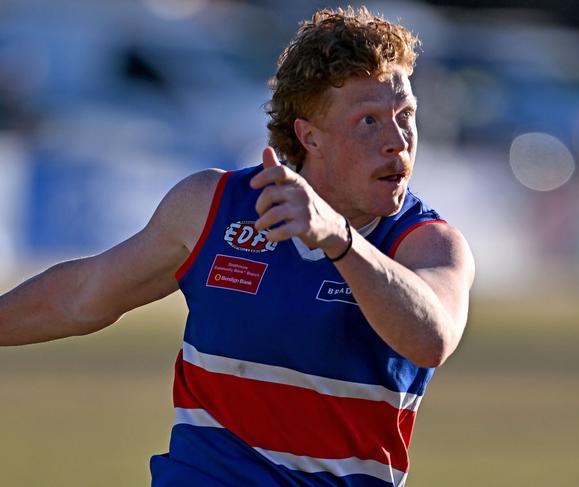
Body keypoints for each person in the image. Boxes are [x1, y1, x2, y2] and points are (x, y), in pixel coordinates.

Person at [0, 6, 474, 486]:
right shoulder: (214, 206)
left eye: (406, 115)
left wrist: (340, 240)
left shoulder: (427, 244)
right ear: (310, 137)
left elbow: (431, 339)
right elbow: (81, 295)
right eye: (369, 121)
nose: (398, 141)